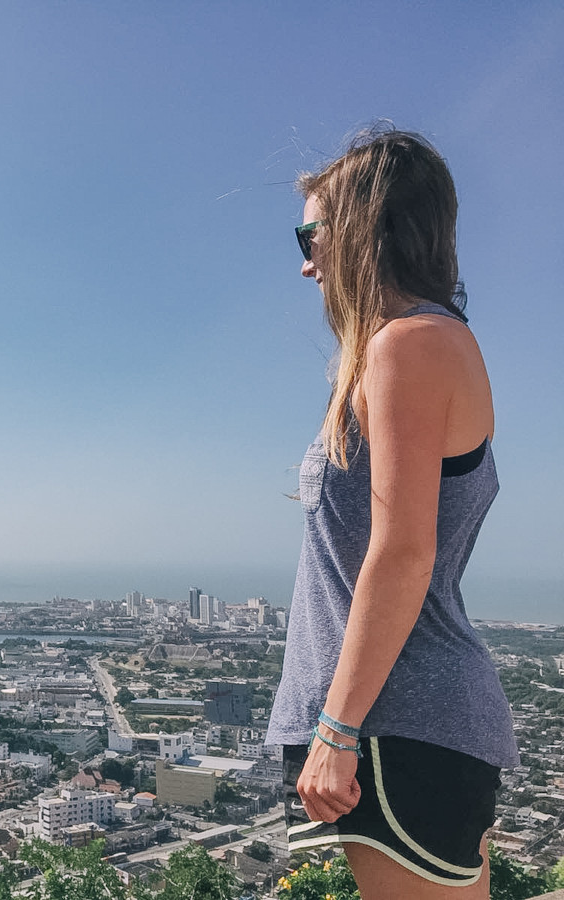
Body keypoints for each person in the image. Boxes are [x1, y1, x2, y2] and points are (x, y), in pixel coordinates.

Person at [264, 127, 518, 899]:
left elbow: (402, 552)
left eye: (313, 234)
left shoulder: (408, 344)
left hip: (396, 726)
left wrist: (335, 733)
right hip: (403, 724)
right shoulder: (413, 343)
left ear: (369, 227)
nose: (306, 262)